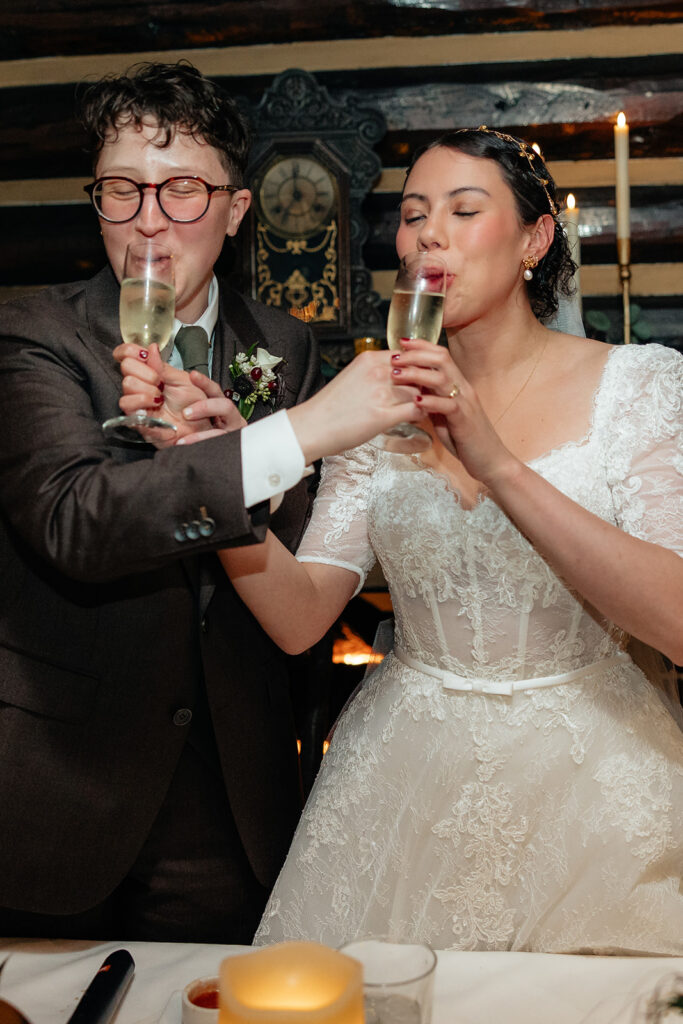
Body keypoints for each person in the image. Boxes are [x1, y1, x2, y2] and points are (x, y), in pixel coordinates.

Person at [126, 125, 683, 954]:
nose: (427, 232)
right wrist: (219, 476)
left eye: (463, 209)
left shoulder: (637, 385)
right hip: (406, 777)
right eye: (413, 212)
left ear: (534, 239)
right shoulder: (373, 406)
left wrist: (494, 462)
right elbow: (299, 618)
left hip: (590, 775)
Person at [0, 61, 419, 942]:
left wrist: (232, 455)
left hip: (234, 788)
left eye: (182, 191)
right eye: (123, 190)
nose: (149, 222)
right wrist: (292, 435)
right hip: (69, 778)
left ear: (234, 212)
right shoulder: (33, 333)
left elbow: (303, 559)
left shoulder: (283, 343)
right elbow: (73, 522)